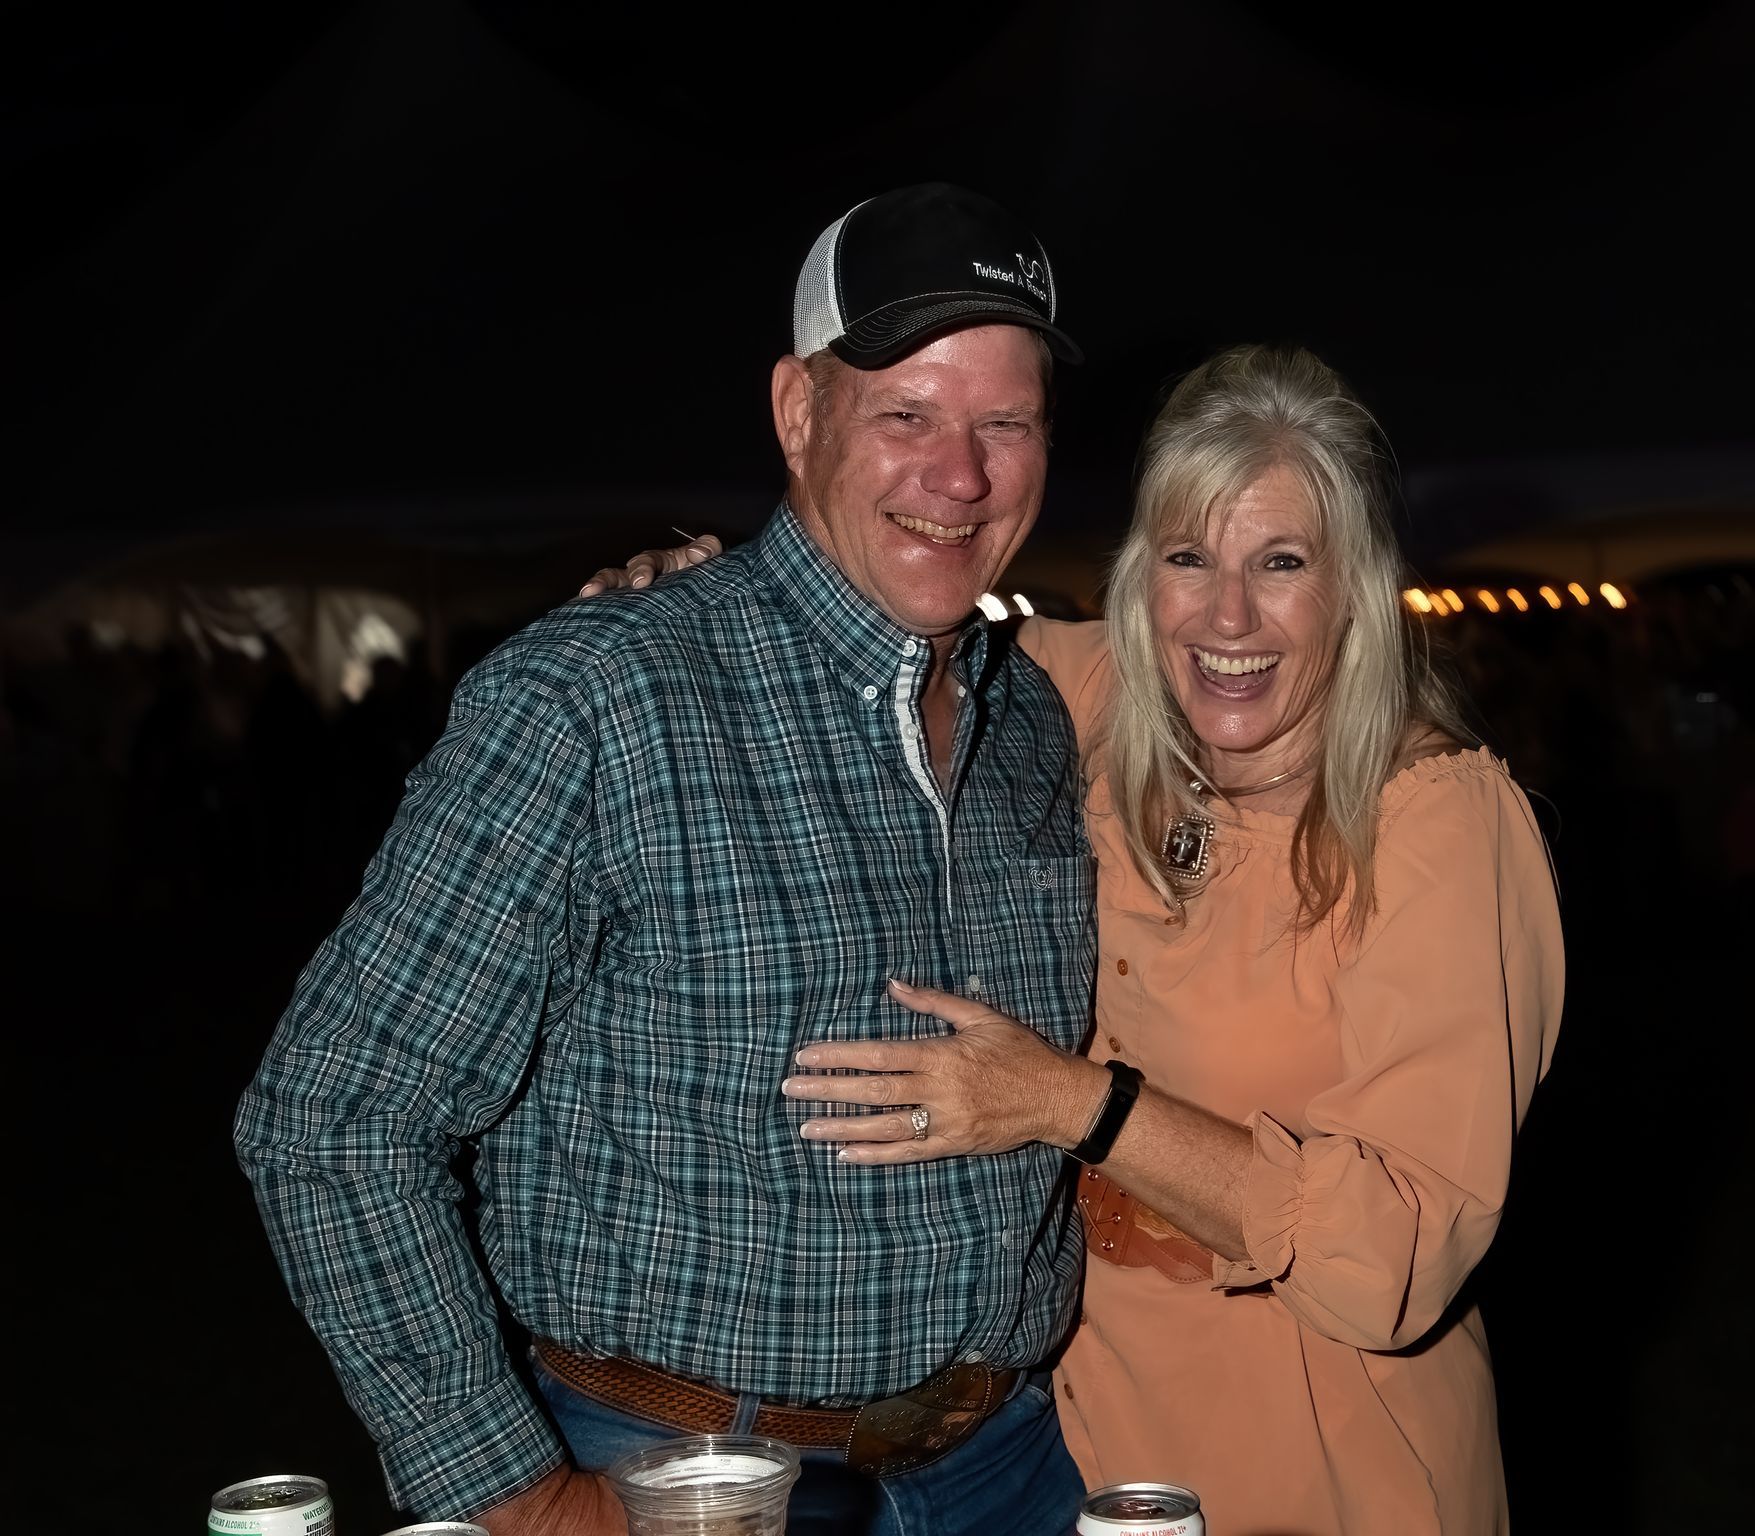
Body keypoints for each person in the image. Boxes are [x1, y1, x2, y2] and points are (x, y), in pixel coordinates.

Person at [234, 184, 1098, 1536]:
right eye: (908, 416)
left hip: (1013, 1468)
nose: (962, 475)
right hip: (690, 1481)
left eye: (1006, 423)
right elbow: (332, 1117)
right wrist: (517, 1501)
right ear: (798, 415)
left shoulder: (1036, 715)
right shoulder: (603, 695)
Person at [599, 344, 1566, 1534]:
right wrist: (702, 594)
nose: (1226, 616)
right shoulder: (1099, 695)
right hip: (1081, 1455)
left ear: (1356, 587)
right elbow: (869, 609)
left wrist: (1079, 1105)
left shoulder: (1433, 822)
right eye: (1186, 558)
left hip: (1321, 1459)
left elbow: (1399, 1259)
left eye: (1281, 563)